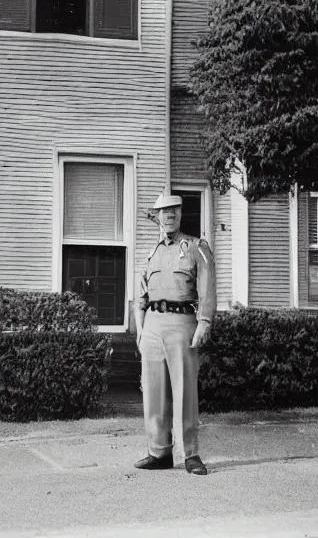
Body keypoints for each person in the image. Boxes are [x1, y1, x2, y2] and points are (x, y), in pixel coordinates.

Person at [134, 192, 216, 475]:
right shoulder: (152, 252)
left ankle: (191, 454)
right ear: (156, 216)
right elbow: (140, 297)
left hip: (182, 324)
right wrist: (141, 331)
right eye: (163, 212)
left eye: (174, 211)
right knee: (153, 393)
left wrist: (204, 322)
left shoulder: (196, 247)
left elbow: (207, 289)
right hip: (153, 326)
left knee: (184, 391)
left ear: (181, 214)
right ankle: (159, 452)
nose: (168, 216)